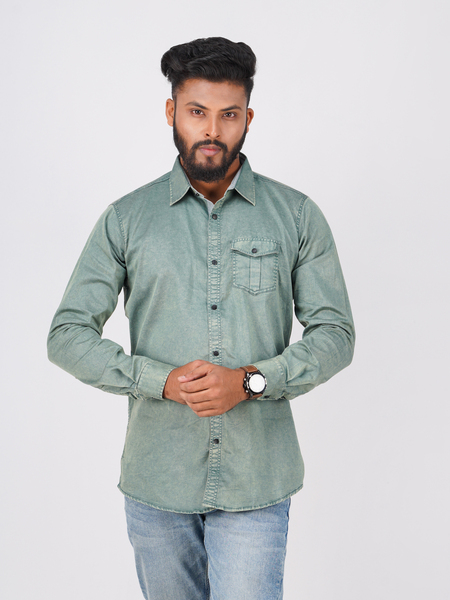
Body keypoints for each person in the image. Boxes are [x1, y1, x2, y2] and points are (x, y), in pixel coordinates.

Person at [48, 37, 355, 600]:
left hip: (256, 483)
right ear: (171, 112)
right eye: (197, 112)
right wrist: (159, 381)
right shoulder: (126, 219)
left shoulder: (297, 215)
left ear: (248, 118)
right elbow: (67, 335)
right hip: (157, 481)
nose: (212, 130)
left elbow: (335, 334)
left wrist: (250, 381)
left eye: (228, 115)